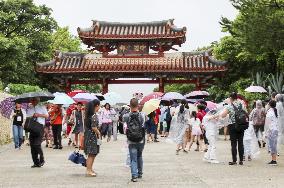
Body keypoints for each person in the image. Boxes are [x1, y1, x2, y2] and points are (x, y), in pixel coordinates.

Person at [217, 92, 247, 165]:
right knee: (241, 143)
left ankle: (234, 160)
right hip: (241, 125)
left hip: (233, 126)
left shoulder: (229, 106)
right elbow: (246, 113)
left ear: (230, 98)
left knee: (233, 143)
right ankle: (241, 161)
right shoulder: (242, 105)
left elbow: (223, 115)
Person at [123, 98, 145, 182]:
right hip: (141, 139)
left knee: (133, 158)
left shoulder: (126, 116)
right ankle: (140, 173)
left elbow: (124, 124)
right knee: (139, 156)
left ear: (130, 105)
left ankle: (134, 176)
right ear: (138, 105)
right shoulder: (142, 115)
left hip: (131, 139)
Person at [26, 98, 48, 168]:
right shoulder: (30, 108)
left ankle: (42, 159)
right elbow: (27, 117)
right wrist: (32, 116)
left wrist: (39, 115)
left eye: (33, 100)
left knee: (37, 144)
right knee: (32, 146)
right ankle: (36, 163)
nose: (32, 101)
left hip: (40, 127)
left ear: (38, 100)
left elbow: (47, 116)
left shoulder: (42, 107)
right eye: (31, 100)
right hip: (32, 128)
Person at [84, 99, 101, 177]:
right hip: (92, 136)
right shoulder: (94, 115)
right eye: (99, 106)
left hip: (88, 135)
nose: (99, 107)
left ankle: (90, 169)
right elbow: (94, 127)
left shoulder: (89, 115)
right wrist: (99, 133)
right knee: (92, 154)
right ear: (96, 106)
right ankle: (88, 170)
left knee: (92, 153)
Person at [265, 100, 278, 165]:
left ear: (270, 105)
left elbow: (267, 123)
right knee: (274, 145)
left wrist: (266, 132)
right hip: (275, 129)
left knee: (272, 145)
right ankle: (273, 159)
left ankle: (274, 160)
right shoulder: (275, 111)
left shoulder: (270, 112)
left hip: (271, 130)